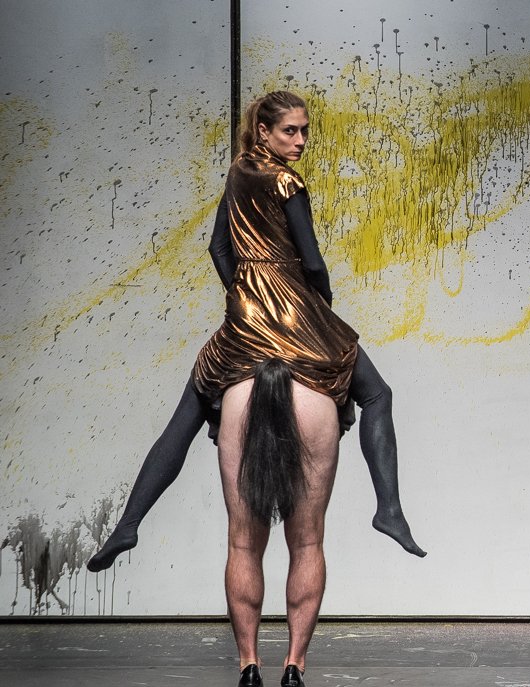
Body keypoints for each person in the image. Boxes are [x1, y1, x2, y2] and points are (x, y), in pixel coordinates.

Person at [86, 98, 425, 575]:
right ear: (264, 131)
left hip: (247, 312)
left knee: (189, 410)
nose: (301, 141)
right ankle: (389, 509)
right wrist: (322, 308)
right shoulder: (287, 181)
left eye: (304, 131)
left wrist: (242, 295)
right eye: (290, 131)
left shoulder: (238, 172)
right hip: (295, 309)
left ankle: (128, 524)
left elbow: (217, 247)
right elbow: (312, 262)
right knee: (377, 394)